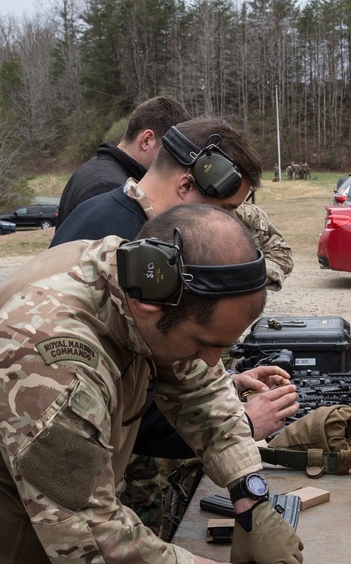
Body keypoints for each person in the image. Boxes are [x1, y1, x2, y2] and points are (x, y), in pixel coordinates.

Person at [0, 206, 302, 564]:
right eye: (204, 342)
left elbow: (200, 389)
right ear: (150, 304)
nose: (213, 361)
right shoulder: (48, 353)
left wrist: (248, 496)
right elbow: (86, 531)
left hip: (40, 552)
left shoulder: (139, 280)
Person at [54, 116, 298, 443]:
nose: (228, 224)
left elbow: (158, 368)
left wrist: (228, 383)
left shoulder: (114, 216)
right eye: (226, 209)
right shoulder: (129, 246)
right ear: (185, 186)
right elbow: (123, 401)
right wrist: (240, 424)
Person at [56, 97, 188, 225]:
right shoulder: (108, 189)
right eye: (170, 153)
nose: (173, 163)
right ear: (146, 140)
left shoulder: (98, 172)